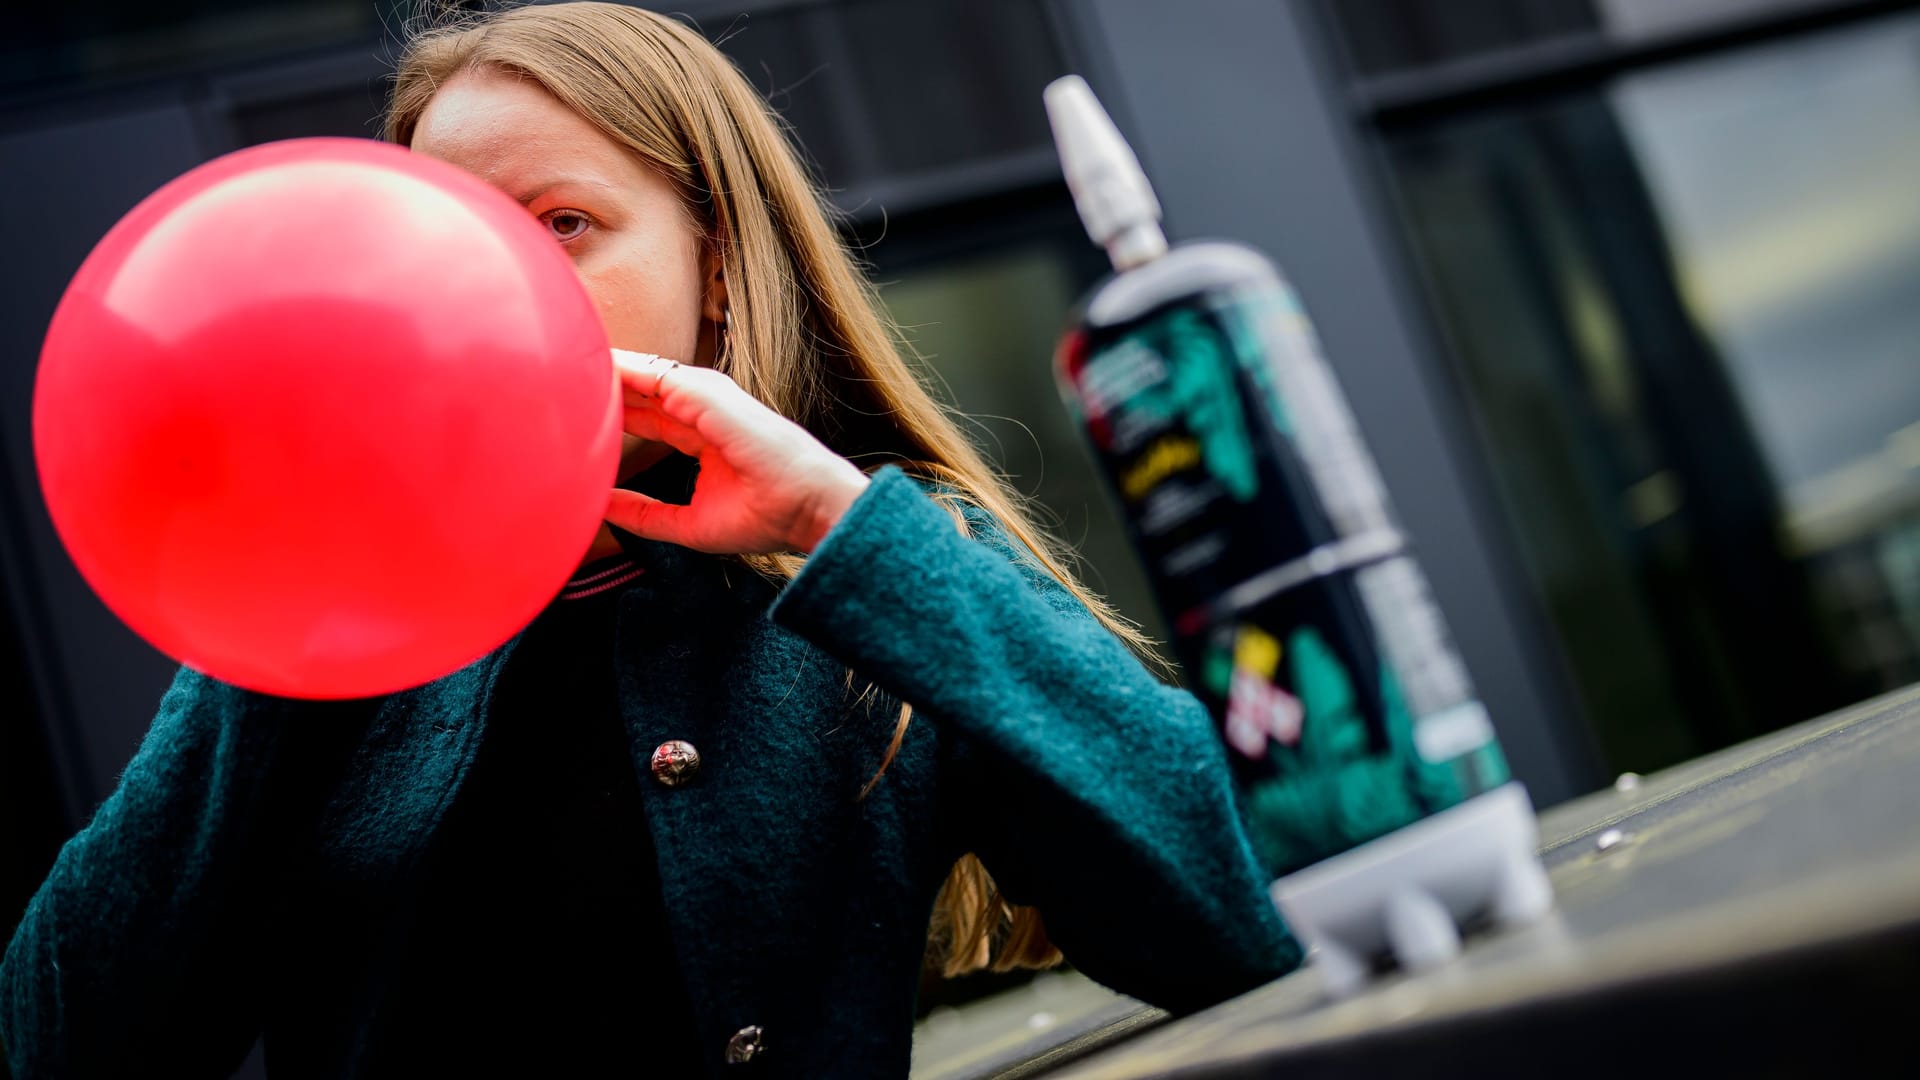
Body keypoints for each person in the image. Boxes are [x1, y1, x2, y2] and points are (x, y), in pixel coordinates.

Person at [0, 3, 1300, 1075]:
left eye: (562, 224)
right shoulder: (326, 627)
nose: (493, 286)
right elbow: (63, 1043)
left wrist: (836, 528)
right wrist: (283, 613)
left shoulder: (869, 566)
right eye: (447, 239)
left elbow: (1219, 918)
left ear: (718, 268)